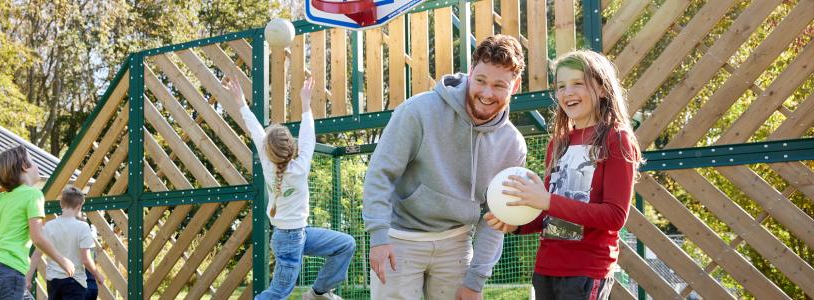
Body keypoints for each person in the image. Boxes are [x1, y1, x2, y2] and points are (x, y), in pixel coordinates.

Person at [363, 34, 528, 300]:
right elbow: (381, 174)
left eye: (499, 85)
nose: (487, 93)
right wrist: (379, 237)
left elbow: (495, 219)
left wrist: (475, 281)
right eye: (481, 80)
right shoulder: (417, 111)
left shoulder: (512, 145)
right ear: (471, 71)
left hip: (457, 242)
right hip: (400, 237)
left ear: (515, 85)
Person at [485, 50, 641, 300]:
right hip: (546, 269)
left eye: (578, 83)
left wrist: (545, 200)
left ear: (602, 89)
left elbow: (614, 216)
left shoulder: (616, 139)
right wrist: (515, 225)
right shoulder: (558, 143)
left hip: (586, 271)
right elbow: (550, 215)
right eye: (561, 86)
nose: (567, 92)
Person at [223, 77, 356, 300]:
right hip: (288, 239)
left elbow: (255, 130)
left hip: (297, 234)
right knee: (278, 293)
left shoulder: (267, 164)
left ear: (267, 150)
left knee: (345, 245)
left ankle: (318, 293)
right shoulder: (299, 168)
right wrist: (305, 103)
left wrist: (241, 102)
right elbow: (307, 135)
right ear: (291, 148)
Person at [0, 145, 75, 299]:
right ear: (24, 166)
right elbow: (37, 237)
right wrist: (62, 261)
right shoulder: (33, 194)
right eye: (34, 161)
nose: (37, 165)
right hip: (10, 273)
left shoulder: (0, 198)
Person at [27, 186, 104, 300]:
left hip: (53, 281)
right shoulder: (82, 227)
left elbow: (36, 255)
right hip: (75, 281)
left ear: (61, 204)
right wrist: (98, 275)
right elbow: (86, 259)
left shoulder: (48, 226)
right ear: (79, 207)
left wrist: (28, 278)